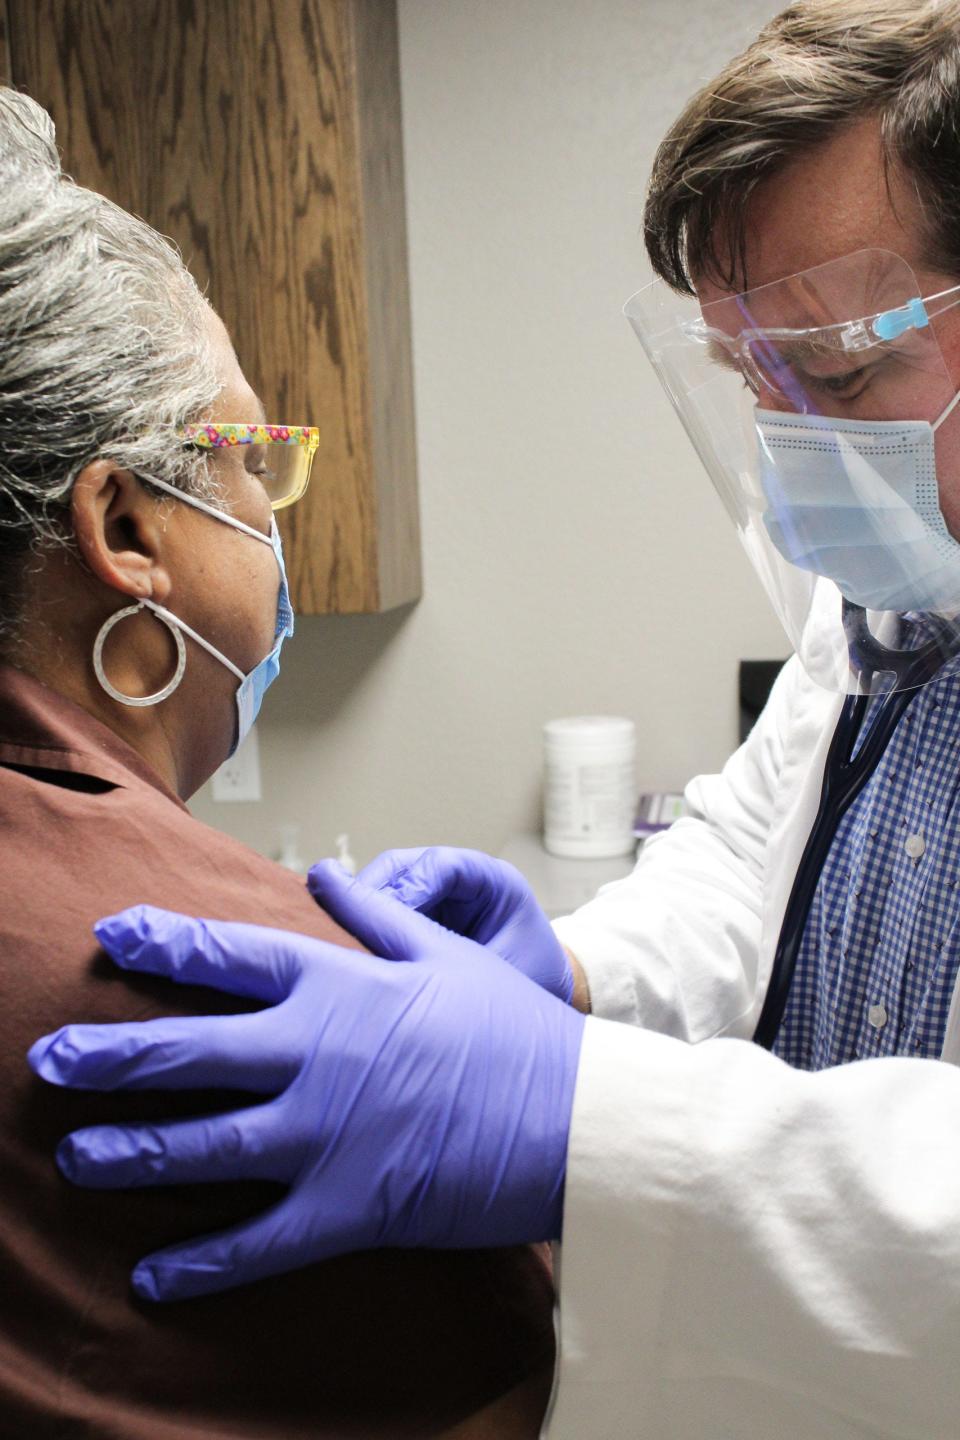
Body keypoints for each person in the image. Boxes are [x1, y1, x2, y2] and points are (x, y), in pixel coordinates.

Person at [29, 1, 960, 1436]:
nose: (798, 451)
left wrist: (583, 1116)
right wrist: (571, 980)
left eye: (834, 377)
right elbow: (759, 857)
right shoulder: (899, 598)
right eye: (755, 386)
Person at [0, 88, 557, 1438]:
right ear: (126, 525)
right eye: (252, 453)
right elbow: (504, 1401)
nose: (272, 510)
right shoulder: (232, 984)